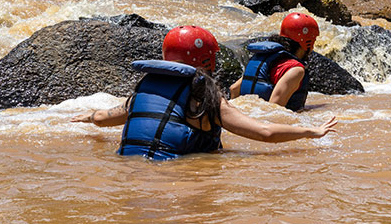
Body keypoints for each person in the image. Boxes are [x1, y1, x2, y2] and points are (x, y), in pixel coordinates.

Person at [72, 25, 337, 160]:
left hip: (127, 174)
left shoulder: (144, 88)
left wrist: (87, 116)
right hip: (174, 176)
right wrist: (310, 132)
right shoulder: (206, 96)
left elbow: (104, 118)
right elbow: (263, 133)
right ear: (207, 61)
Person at [229, 12, 319, 111]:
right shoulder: (296, 70)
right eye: (313, 41)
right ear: (306, 43)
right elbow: (274, 108)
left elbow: (234, 89)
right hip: (263, 123)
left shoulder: (265, 57)